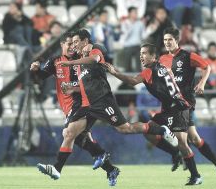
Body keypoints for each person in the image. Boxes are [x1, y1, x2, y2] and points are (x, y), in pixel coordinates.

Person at [36, 29, 178, 185]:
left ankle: (161, 130)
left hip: (102, 100)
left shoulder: (97, 48)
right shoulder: (79, 59)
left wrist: (70, 63)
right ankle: (59, 168)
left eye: (76, 42)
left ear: (85, 41)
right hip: (87, 104)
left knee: (125, 129)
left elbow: (95, 59)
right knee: (70, 133)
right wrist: (72, 87)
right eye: (72, 43)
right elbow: (85, 82)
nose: (74, 45)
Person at [105, 43, 203, 185]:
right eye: (140, 53)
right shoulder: (163, 66)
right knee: (149, 131)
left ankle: (196, 175)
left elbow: (133, 81)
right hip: (170, 108)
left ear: (153, 56)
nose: (141, 56)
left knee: (182, 144)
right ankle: (174, 153)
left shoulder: (149, 71)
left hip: (178, 108)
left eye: (144, 53)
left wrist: (114, 73)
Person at [30, 32, 120, 186]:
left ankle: (57, 168)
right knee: (79, 138)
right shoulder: (56, 61)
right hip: (69, 107)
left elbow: (101, 51)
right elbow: (38, 80)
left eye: (74, 43)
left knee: (68, 133)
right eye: (69, 44)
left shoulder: (81, 59)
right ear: (62, 45)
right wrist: (35, 70)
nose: (72, 47)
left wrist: (95, 45)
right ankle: (110, 168)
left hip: (82, 103)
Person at [158, 27, 216, 184]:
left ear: (177, 40)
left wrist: (202, 83)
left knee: (180, 139)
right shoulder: (162, 59)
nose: (167, 42)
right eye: (165, 40)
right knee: (194, 139)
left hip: (185, 103)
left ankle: (194, 174)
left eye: (170, 39)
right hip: (171, 103)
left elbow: (206, 67)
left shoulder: (188, 56)